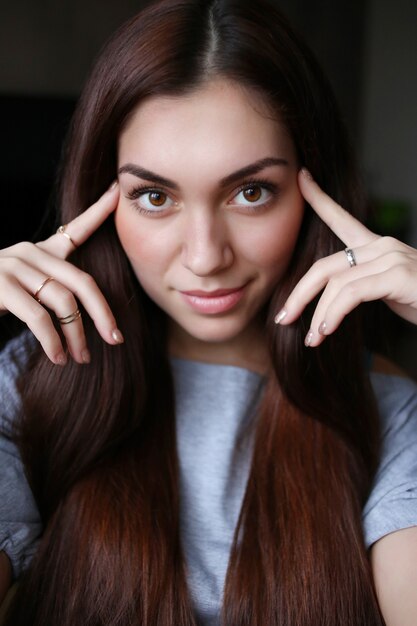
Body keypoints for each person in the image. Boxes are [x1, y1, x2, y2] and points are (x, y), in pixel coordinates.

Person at [0, 0, 416, 624]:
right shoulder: (29, 384)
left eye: (251, 192)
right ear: (102, 198)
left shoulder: (383, 409)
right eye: (154, 196)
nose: (204, 257)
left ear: (314, 189)